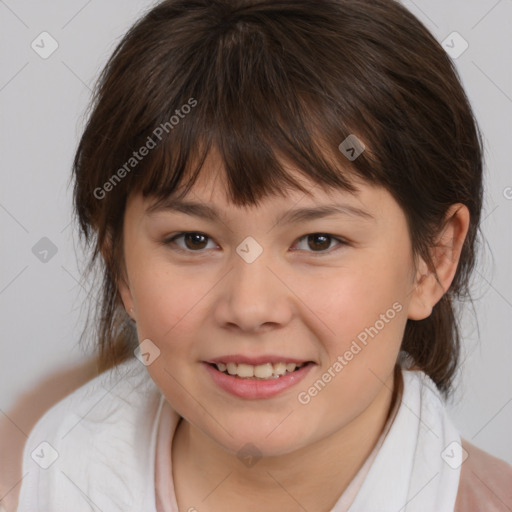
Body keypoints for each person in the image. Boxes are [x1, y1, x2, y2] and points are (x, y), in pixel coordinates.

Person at [15, 0, 512, 510]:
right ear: (120, 264)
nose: (250, 308)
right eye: (193, 239)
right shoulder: (51, 473)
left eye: (319, 241)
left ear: (433, 259)